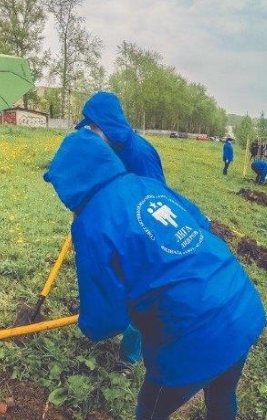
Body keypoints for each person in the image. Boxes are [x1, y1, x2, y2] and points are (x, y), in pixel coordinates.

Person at [43, 128, 266, 420]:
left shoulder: (91, 223)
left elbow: (104, 321)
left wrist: (94, 321)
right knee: (222, 394)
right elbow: (200, 222)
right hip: (240, 302)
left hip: (193, 331)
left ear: (69, 181)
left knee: (150, 410)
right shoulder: (146, 184)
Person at [74, 91, 167, 365]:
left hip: (141, 232)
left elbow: (155, 196)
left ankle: (129, 356)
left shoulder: (141, 154)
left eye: (92, 127)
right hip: (113, 228)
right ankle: (108, 321)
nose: (89, 133)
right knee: (111, 279)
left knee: (139, 290)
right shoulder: (105, 149)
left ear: (106, 125)